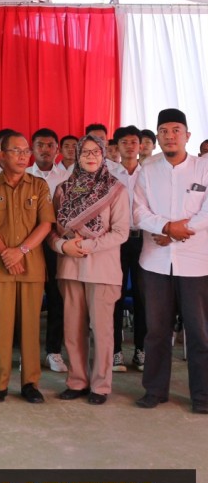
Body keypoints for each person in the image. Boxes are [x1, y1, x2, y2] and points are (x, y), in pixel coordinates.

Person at [133, 108, 208, 413]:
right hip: (155, 262)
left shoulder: (203, 168)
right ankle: (154, 390)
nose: (170, 136)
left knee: (200, 333)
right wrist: (165, 227)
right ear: (157, 136)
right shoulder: (147, 169)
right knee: (157, 331)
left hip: (196, 263)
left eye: (176, 130)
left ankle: (203, 396)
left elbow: (206, 212)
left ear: (187, 135)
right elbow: (138, 211)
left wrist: (175, 231)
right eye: (163, 131)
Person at [0, 130, 55, 404]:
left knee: (30, 329)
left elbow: (46, 224)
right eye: (16, 151)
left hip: (31, 267)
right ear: (1, 154)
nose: (22, 156)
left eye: (25, 151)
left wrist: (20, 252)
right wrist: (6, 254)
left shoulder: (39, 186)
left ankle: (30, 383)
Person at [49, 134, 129, 405]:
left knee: (102, 330)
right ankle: (77, 381)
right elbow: (51, 230)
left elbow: (120, 232)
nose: (91, 156)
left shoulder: (115, 189)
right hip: (69, 267)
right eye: (85, 152)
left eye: (96, 152)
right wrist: (62, 246)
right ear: (77, 156)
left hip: (102, 269)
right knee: (72, 329)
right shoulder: (63, 189)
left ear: (103, 155)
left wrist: (86, 245)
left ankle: (101, 385)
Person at [26, 128, 70, 374]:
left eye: (50, 145)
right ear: (32, 149)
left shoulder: (67, 177)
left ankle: (53, 351)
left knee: (56, 298)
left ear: (57, 149)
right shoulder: (22, 175)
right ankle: (28, 351)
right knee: (29, 299)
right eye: (40, 145)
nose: (45, 149)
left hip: (56, 243)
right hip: (28, 243)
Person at [111, 126, 146, 372]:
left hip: (145, 240)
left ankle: (141, 350)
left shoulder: (150, 173)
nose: (130, 146)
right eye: (125, 142)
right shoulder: (109, 174)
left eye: (134, 142)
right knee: (116, 295)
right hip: (117, 242)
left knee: (144, 297)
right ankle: (115, 351)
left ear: (140, 145)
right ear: (117, 146)